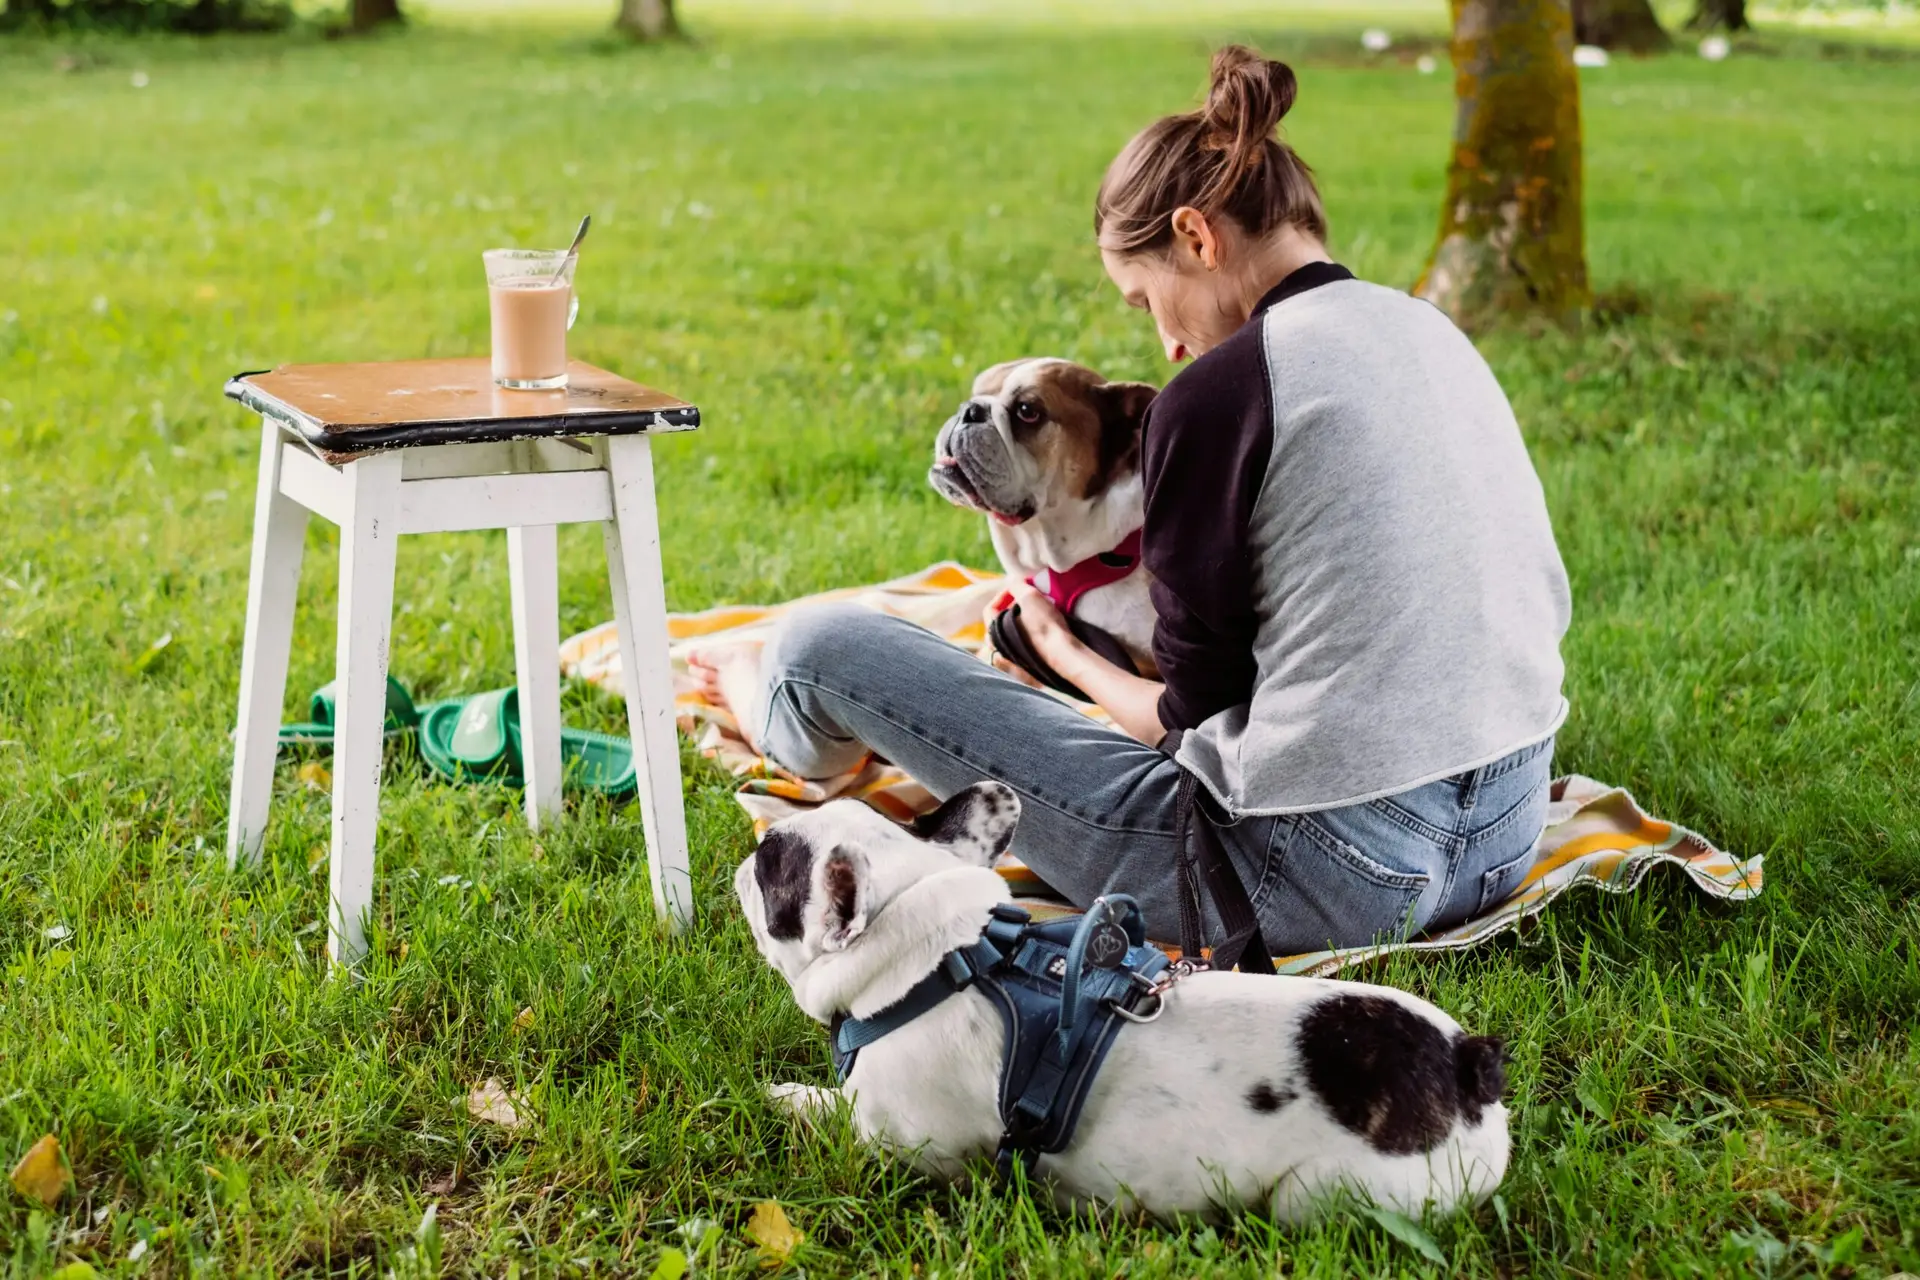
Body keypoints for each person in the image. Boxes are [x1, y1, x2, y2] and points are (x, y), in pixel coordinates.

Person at [693, 45, 1571, 958]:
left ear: (1197, 238)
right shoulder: (1432, 330)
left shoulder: (1222, 394)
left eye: (1147, 298)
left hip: (1309, 878)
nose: (1165, 338)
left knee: (820, 646)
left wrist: (1061, 652)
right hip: (1504, 832)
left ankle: (769, 708)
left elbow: (1183, 718)